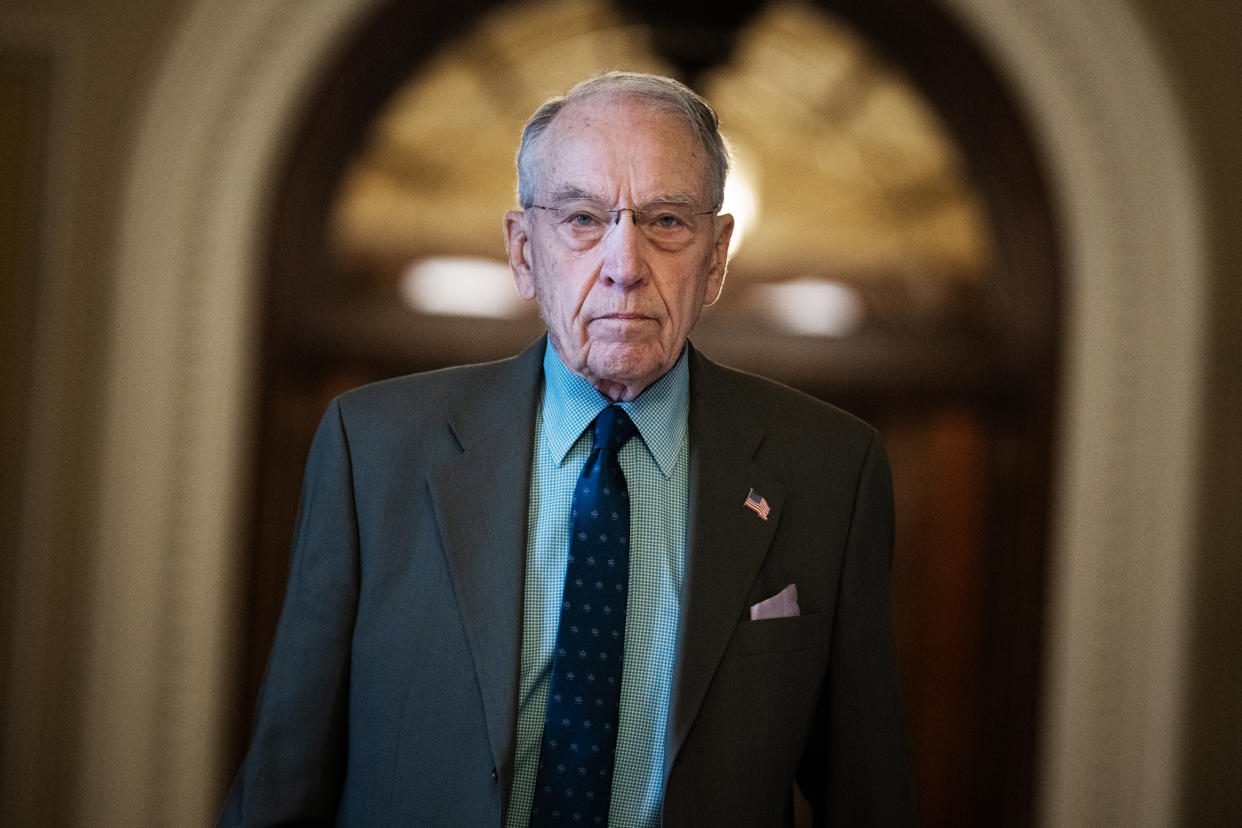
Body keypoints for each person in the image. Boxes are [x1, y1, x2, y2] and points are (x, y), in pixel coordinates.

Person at [218, 71, 915, 827]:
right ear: (523, 252)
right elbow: (283, 787)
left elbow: (868, 797)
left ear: (715, 258)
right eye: (583, 218)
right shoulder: (374, 449)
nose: (624, 265)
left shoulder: (830, 472)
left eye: (667, 221)